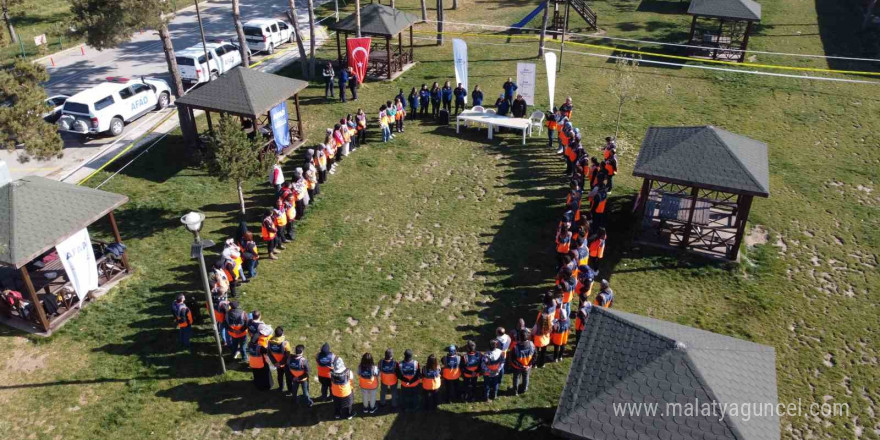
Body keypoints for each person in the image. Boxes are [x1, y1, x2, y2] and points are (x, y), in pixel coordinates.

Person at [247, 323, 274, 390]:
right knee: (266, 375)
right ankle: (268, 386)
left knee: (257, 375)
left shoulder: (249, 345)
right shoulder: (260, 347)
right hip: (261, 363)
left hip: (253, 363)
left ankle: (258, 385)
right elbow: (268, 352)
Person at [510, 328, 535, 396]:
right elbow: (535, 356)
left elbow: (513, 359)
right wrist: (529, 365)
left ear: (520, 337)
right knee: (526, 377)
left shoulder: (515, 347)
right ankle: (524, 389)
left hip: (517, 367)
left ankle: (515, 391)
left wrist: (521, 366)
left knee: (516, 378)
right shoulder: (532, 344)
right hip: (527, 366)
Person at [268, 326, 291, 392]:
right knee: (288, 377)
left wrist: (275, 362)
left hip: (277, 364)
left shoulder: (270, 342)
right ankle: (290, 390)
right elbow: (288, 355)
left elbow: (269, 353)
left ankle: (281, 388)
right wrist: (281, 363)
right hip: (285, 364)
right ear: (282, 333)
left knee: (280, 376)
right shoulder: (285, 343)